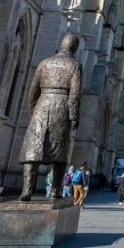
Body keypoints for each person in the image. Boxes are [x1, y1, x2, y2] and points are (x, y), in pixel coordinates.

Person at [18, 34, 82, 202]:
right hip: (62, 105)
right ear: (74, 48)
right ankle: (55, 190)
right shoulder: (75, 65)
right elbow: (75, 95)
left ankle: (27, 190)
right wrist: (74, 117)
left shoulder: (44, 63)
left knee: (33, 150)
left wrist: (34, 112)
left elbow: (32, 91)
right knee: (61, 151)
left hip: (42, 104)